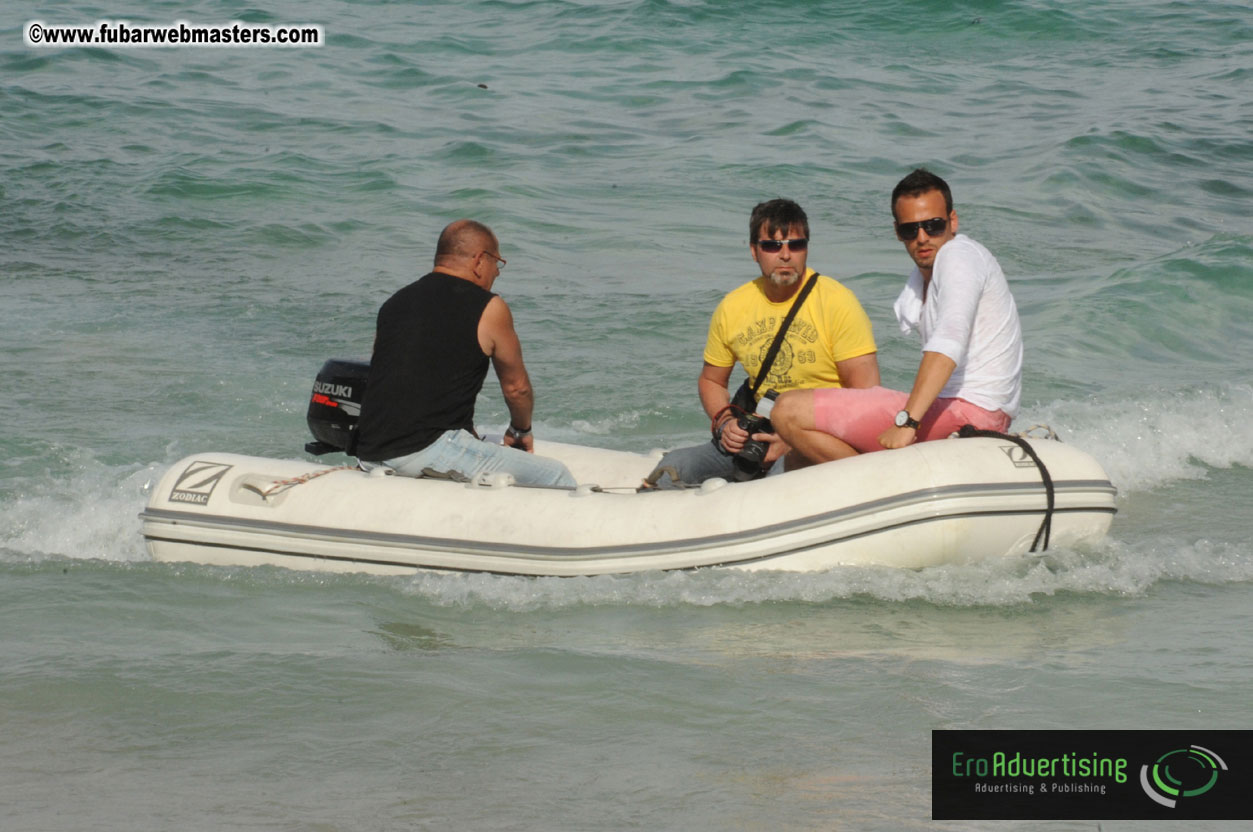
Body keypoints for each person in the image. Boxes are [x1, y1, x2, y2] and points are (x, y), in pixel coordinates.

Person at [771, 169, 1023, 464]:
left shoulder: (958, 256)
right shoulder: (925, 278)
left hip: (969, 411)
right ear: (897, 232)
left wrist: (907, 422)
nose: (922, 237)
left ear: (952, 222)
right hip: (971, 411)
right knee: (800, 455)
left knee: (786, 411)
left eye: (933, 225)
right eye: (910, 230)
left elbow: (949, 341)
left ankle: (874, 483)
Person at [646, 199, 880, 487]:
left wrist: (793, 440)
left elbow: (867, 398)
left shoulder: (838, 303)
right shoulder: (733, 307)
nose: (785, 255)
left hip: (817, 437)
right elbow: (712, 380)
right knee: (672, 469)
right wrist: (725, 423)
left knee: (777, 481)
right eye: (772, 246)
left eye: (795, 245)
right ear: (754, 251)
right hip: (757, 435)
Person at [354, 219, 576, 487]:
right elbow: (517, 389)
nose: (497, 273)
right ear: (480, 260)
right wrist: (520, 430)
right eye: (498, 263)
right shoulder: (490, 307)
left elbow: (395, 375)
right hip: (422, 450)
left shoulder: (395, 303)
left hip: (369, 450)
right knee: (557, 476)